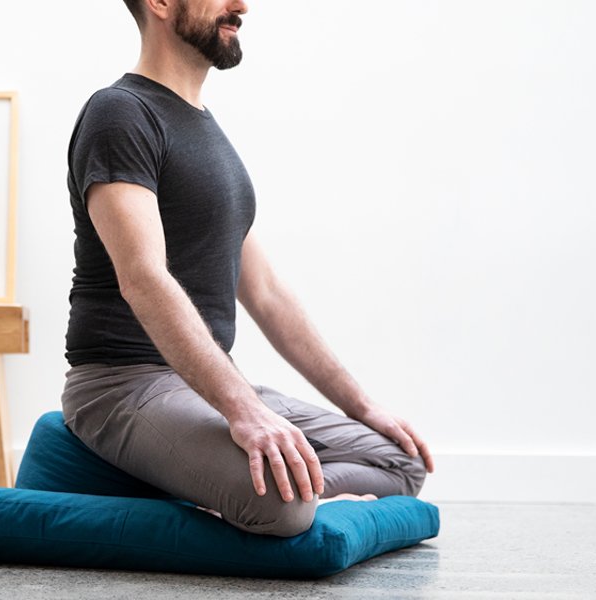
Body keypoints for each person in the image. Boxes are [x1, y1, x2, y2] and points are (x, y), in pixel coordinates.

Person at [61, 0, 434, 537]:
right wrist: (243, 410)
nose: (242, 5)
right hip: (123, 386)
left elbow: (265, 291)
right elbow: (144, 278)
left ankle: (258, 491)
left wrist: (363, 406)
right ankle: (274, 496)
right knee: (283, 509)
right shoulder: (119, 113)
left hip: (203, 384)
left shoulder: (204, 127)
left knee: (400, 460)